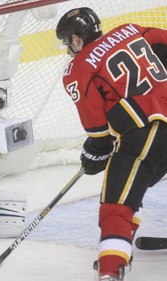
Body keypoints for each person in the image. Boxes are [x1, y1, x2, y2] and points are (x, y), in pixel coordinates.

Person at [56, 7, 167, 281]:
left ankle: (110, 270)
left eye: (67, 42)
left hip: (146, 128)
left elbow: (97, 129)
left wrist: (94, 153)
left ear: (76, 39)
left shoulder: (78, 68)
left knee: (117, 199)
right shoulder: (131, 30)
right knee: (137, 183)